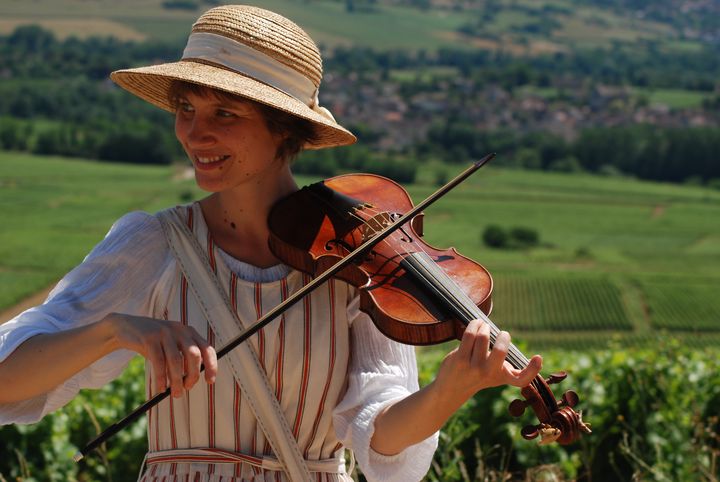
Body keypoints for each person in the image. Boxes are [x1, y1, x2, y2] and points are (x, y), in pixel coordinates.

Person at [0, 5, 542, 481]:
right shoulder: (154, 241)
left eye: (225, 114)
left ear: (284, 128)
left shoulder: (358, 258)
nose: (194, 133)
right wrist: (115, 331)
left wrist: (451, 388)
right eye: (186, 109)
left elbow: (382, 437)